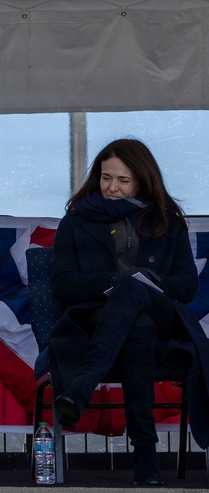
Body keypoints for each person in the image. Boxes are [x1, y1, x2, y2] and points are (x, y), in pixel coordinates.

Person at [49, 138, 209, 485]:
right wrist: (113, 280)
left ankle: (81, 388)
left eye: (123, 180)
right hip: (97, 319)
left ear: (142, 179)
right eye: (106, 178)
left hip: (164, 317)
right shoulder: (76, 222)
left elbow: (186, 287)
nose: (112, 188)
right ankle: (146, 461)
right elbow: (62, 286)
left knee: (136, 297)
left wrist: (146, 282)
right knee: (138, 325)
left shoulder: (168, 220)